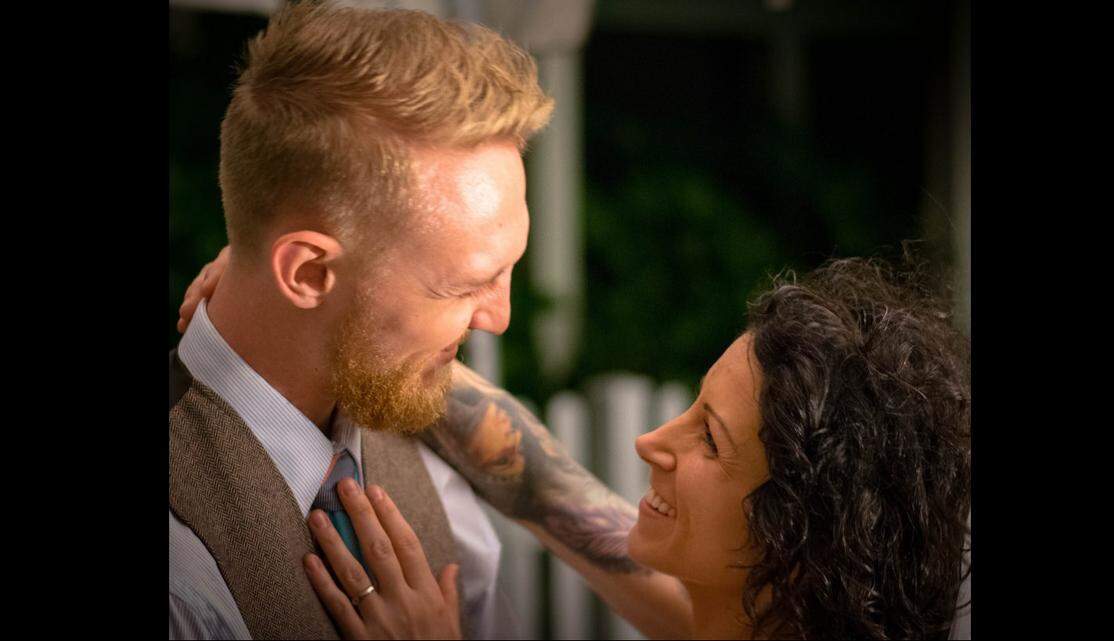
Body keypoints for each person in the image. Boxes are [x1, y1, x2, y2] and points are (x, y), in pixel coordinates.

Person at [170, 2, 692, 639]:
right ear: (307, 274)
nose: (499, 318)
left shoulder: (427, 462)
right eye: (464, 285)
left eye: (508, 270)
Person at [243, 258, 971, 639]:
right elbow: (544, 484)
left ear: (794, 543)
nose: (650, 441)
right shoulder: (744, 611)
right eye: (693, 407)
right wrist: (319, 310)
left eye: (709, 439)